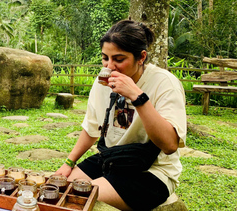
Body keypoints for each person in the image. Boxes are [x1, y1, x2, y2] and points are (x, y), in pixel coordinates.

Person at [55, 20, 186, 211]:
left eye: (118, 59)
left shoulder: (164, 83)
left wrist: (137, 96)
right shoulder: (101, 84)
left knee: (80, 197)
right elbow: (92, 129)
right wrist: (69, 163)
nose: (110, 66)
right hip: (112, 160)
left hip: (152, 171)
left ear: (141, 57)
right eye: (105, 58)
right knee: (56, 189)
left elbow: (169, 145)